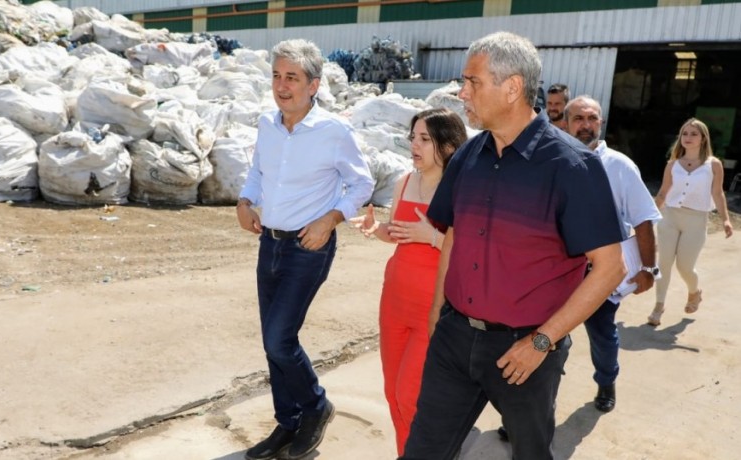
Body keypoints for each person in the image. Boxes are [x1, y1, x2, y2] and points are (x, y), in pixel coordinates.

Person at [401, 31, 626, 460]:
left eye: (473, 82)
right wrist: (437, 316)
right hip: (454, 337)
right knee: (422, 452)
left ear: (512, 87)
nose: (462, 92)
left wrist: (542, 342)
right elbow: (454, 235)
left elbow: (611, 267)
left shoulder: (572, 165)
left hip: (526, 352)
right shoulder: (468, 156)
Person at [236, 38, 374, 460]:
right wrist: (244, 201)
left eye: (292, 77)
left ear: (313, 85)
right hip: (270, 244)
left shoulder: (334, 132)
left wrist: (330, 219)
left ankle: (316, 406)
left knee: (280, 340)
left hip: (308, 248)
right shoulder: (267, 124)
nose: (282, 85)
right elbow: (257, 172)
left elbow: (362, 184)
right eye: (277, 76)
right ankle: (288, 421)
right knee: (272, 342)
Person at [349, 108, 467, 456]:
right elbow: (398, 233)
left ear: (448, 145)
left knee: (410, 396)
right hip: (394, 302)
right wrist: (377, 229)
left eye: (425, 139)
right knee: (392, 392)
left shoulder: (460, 190)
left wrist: (433, 237)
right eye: (413, 137)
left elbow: (471, 252)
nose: (414, 145)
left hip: (433, 307)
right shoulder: (404, 182)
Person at [565, 96, 662, 412]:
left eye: (592, 118)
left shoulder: (620, 166)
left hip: (602, 274)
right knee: (547, 335)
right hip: (559, 270)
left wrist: (648, 269)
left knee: (602, 334)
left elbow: (643, 220)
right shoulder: (553, 161)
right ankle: (532, 403)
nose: (585, 125)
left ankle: (606, 382)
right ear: (566, 123)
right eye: (578, 118)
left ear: (601, 122)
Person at [649, 118, 734, 326]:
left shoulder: (713, 165)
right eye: (684, 134)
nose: (688, 137)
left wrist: (725, 220)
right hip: (670, 217)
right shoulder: (672, 164)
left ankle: (694, 292)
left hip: (696, 221)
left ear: (703, 138)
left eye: (694, 134)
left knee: (685, 267)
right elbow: (663, 193)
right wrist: (648, 219)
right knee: (663, 263)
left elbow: (718, 193)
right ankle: (659, 306)